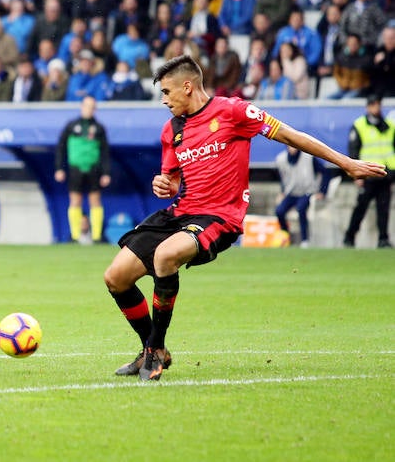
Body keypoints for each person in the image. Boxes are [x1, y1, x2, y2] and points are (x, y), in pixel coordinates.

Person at [103, 55, 386, 382]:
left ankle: (156, 351)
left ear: (187, 85)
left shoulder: (233, 111)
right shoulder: (173, 129)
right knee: (116, 276)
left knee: (166, 256)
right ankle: (151, 349)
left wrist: (345, 162)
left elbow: (290, 135)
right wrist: (165, 185)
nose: (164, 100)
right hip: (181, 212)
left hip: (219, 216)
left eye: (167, 92)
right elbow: (174, 181)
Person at [54, 96, 111, 244]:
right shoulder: (71, 126)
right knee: (75, 200)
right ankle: (75, 236)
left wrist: (106, 172)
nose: (89, 109)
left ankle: (97, 236)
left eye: (92, 107)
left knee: (95, 200)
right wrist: (59, 168)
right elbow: (61, 148)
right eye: (87, 106)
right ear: (81, 107)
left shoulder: (99, 128)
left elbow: (105, 152)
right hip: (75, 168)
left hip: (94, 168)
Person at [343, 95, 395, 248]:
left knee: (383, 209)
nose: (376, 108)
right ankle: (349, 237)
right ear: (368, 107)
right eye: (373, 105)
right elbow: (354, 150)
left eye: (378, 105)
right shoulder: (359, 125)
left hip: (385, 174)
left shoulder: (389, 126)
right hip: (366, 174)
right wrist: (355, 174)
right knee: (360, 208)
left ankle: (383, 239)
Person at [275, 146, 329, 247]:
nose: (292, 149)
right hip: (291, 193)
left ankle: (305, 240)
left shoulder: (308, 157)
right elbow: (283, 177)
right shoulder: (281, 159)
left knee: (301, 208)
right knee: (279, 210)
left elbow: (325, 172)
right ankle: (286, 237)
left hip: (307, 192)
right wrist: (282, 192)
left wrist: (322, 191)